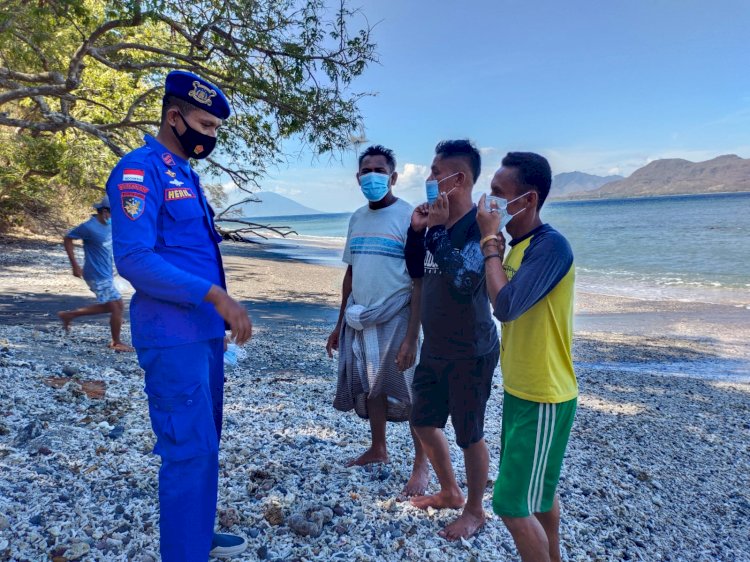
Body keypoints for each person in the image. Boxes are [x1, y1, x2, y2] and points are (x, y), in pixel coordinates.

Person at [106, 71, 252, 561]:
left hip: (202, 335)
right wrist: (215, 296)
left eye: (215, 129)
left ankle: (195, 533)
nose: (210, 136)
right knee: (187, 450)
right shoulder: (139, 170)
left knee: (206, 442)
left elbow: (191, 251)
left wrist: (218, 318)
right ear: (174, 116)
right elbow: (134, 258)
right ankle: (183, 552)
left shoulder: (185, 174)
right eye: (205, 124)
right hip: (171, 338)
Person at [476, 152, 577, 562]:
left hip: (544, 396)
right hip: (522, 390)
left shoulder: (551, 247)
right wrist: (494, 248)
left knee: (509, 504)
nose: (489, 202)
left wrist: (488, 245)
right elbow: (497, 293)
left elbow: (506, 306)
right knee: (539, 495)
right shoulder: (516, 246)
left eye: (498, 194)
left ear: (528, 199)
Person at [404, 139, 499, 540]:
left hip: (471, 350)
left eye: (435, 171)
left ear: (457, 179)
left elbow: (464, 279)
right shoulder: (435, 224)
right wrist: (416, 232)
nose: (428, 179)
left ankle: (475, 510)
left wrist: (439, 232)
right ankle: (450, 490)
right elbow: (417, 271)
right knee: (423, 420)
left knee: (469, 432)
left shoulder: (481, 226)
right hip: (436, 345)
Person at [328, 144, 429, 498]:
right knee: (372, 386)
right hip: (361, 316)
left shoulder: (409, 218)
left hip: (398, 315)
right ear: (358, 178)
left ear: (394, 177)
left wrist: (412, 337)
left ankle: (422, 464)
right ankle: (378, 448)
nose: (372, 177)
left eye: (379, 171)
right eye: (366, 171)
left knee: (413, 392)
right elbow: (351, 272)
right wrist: (339, 323)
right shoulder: (357, 218)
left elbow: (419, 281)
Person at [57, 195, 134, 352]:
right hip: (96, 274)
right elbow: (67, 238)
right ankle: (116, 342)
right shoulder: (89, 227)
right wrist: (75, 265)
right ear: (105, 211)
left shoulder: (110, 225)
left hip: (107, 272)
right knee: (117, 306)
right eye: (114, 213)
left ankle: (69, 315)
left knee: (112, 306)